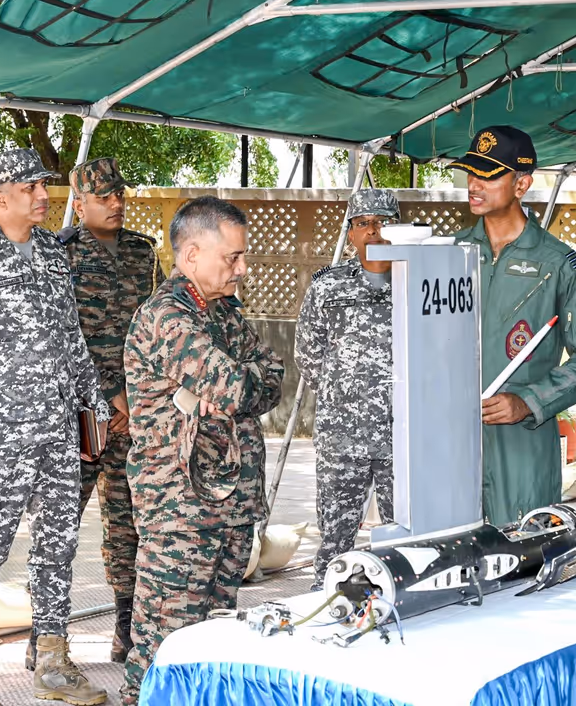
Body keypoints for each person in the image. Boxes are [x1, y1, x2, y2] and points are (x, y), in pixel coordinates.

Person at [0, 147, 112, 706]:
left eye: (43, 184)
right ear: (0, 195)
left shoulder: (53, 253)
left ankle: (53, 664)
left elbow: (72, 339)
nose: (43, 195)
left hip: (58, 432)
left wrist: (93, 413)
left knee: (57, 548)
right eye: (31, 186)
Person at [120, 196, 285, 705]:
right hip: (180, 510)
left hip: (229, 503)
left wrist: (235, 386)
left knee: (213, 644)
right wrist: (237, 385)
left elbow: (273, 377)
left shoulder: (223, 312)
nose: (242, 267)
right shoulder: (167, 318)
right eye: (232, 257)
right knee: (164, 645)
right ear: (191, 254)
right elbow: (236, 387)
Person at [449, 126, 576, 527]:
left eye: (488, 175)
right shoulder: (449, 256)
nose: (474, 185)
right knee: (449, 552)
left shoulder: (558, 264)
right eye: (471, 173)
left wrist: (527, 402)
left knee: (520, 548)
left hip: (522, 442)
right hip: (452, 440)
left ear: (521, 184)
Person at [57, 157, 165, 665]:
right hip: (80, 415)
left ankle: (126, 628)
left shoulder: (143, 253)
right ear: (79, 205)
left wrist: (133, 397)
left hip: (132, 415)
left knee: (129, 523)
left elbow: (158, 330)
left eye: (119, 194)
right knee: (60, 521)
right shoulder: (60, 255)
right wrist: (105, 395)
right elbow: (61, 336)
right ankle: (48, 634)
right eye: (104, 197)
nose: (116, 203)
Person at [295, 188, 398, 591]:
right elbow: (308, 354)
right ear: (351, 233)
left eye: (383, 222)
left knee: (405, 537)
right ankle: (325, 604)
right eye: (364, 223)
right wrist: (344, 398)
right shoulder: (328, 287)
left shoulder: (419, 283)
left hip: (402, 438)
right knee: (334, 540)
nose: (374, 231)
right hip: (343, 437)